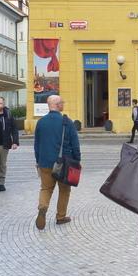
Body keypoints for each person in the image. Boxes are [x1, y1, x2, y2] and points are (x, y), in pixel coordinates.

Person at [33, 95, 81, 229]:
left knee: (46, 188)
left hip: (45, 162)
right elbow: (75, 144)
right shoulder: (66, 122)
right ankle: (60, 217)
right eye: (62, 102)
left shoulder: (41, 122)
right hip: (63, 163)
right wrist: (77, 160)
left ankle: (43, 208)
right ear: (58, 105)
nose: (63, 104)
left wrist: (38, 160)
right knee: (64, 190)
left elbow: (37, 144)